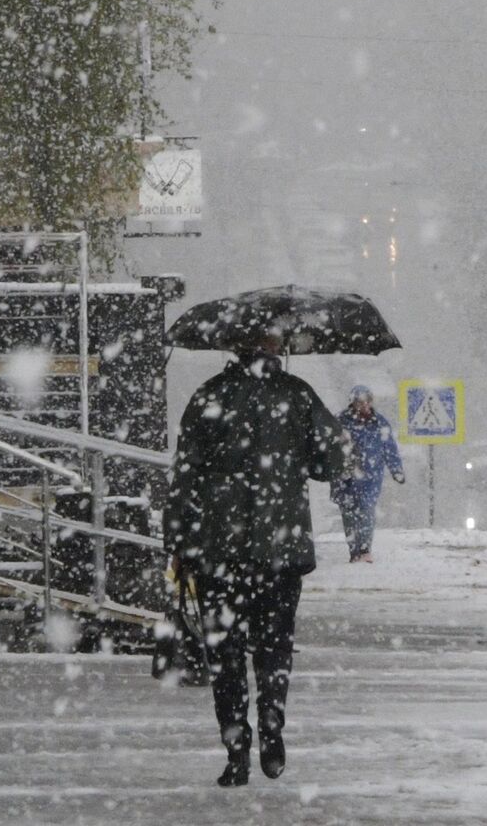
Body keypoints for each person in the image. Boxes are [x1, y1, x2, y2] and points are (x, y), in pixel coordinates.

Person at [165, 330, 348, 788]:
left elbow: (184, 474)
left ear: (234, 346)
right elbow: (337, 458)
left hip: (218, 552)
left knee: (224, 656)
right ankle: (271, 722)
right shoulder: (297, 396)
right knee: (274, 647)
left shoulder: (209, 395)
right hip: (279, 552)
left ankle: (235, 750)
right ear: (276, 348)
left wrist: (179, 543)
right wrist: (301, 458)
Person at [331, 385, 404, 563]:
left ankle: (364, 549)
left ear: (371, 402)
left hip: (370, 477)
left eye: (366, 402)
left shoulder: (379, 423)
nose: (363, 405)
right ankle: (354, 549)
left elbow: (389, 449)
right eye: (359, 402)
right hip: (345, 477)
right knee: (348, 514)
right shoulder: (340, 422)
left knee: (366, 511)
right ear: (353, 403)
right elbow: (329, 447)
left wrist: (396, 470)